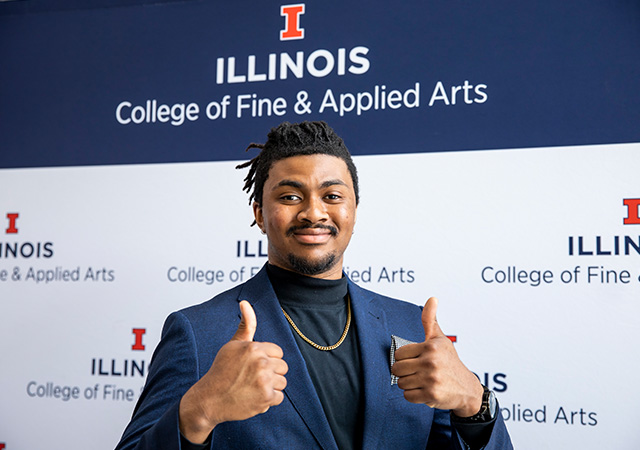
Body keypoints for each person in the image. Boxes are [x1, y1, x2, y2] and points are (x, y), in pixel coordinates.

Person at [115, 121, 513, 450]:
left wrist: (474, 405)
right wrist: (196, 413)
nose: (313, 212)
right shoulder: (199, 333)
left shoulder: (410, 325)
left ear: (354, 208)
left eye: (332, 195)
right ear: (259, 213)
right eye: (290, 196)